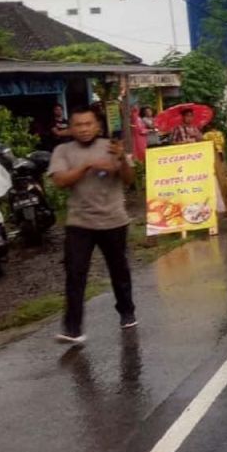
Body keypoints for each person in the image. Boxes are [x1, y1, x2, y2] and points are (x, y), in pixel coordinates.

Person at [47, 107, 137, 344]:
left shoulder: (112, 146)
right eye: (78, 125)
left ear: (98, 126)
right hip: (80, 222)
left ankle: (127, 311)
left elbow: (129, 180)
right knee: (75, 274)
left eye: (88, 124)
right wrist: (87, 166)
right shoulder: (62, 151)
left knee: (119, 270)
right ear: (71, 128)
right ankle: (72, 329)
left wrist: (121, 160)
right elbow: (60, 181)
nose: (84, 129)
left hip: (113, 220)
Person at [204, 124, 227, 225]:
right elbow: (222, 143)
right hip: (219, 155)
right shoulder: (219, 134)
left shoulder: (206, 135)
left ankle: (225, 210)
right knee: (222, 180)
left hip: (213, 156)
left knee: (219, 181)